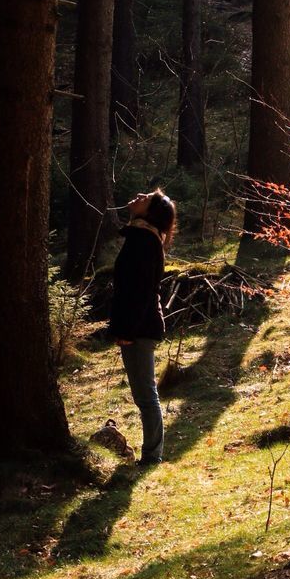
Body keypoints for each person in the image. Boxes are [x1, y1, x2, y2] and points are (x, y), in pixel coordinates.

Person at [109, 189, 177, 465]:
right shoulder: (141, 237)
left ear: (150, 212)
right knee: (144, 394)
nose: (138, 195)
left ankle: (152, 455)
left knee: (146, 395)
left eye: (146, 197)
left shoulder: (145, 241)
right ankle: (152, 453)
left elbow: (141, 292)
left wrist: (126, 331)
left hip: (140, 328)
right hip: (138, 326)